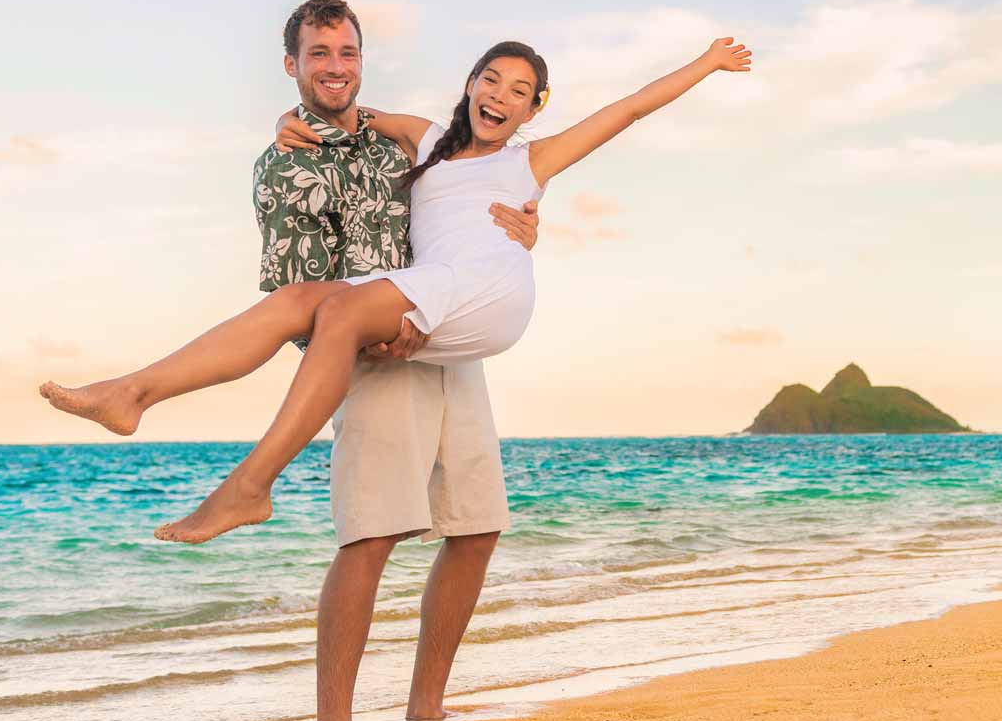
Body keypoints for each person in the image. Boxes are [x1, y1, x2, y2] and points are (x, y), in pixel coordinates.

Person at [42, 0, 538, 721]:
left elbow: (474, 192)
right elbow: (293, 289)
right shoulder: (282, 165)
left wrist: (527, 219)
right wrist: (367, 339)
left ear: (363, 62)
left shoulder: (405, 146)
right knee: (371, 535)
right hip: (370, 350)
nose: (335, 69)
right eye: (319, 55)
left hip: (444, 330)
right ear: (292, 65)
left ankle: (426, 706)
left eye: (347, 54)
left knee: (476, 527)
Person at [44, 27, 750, 547]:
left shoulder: (531, 160)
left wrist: (709, 63)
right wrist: (286, 124)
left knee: (343, 311)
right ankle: (132, 394)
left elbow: (629, 109)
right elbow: (340, 113)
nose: (501, 97)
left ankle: (251, 485)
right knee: (298, 301)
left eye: (520, 92)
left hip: (488, 289)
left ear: (534, 110)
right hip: (429, 280)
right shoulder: (425, 136)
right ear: (471, 84)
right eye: (492, 81)